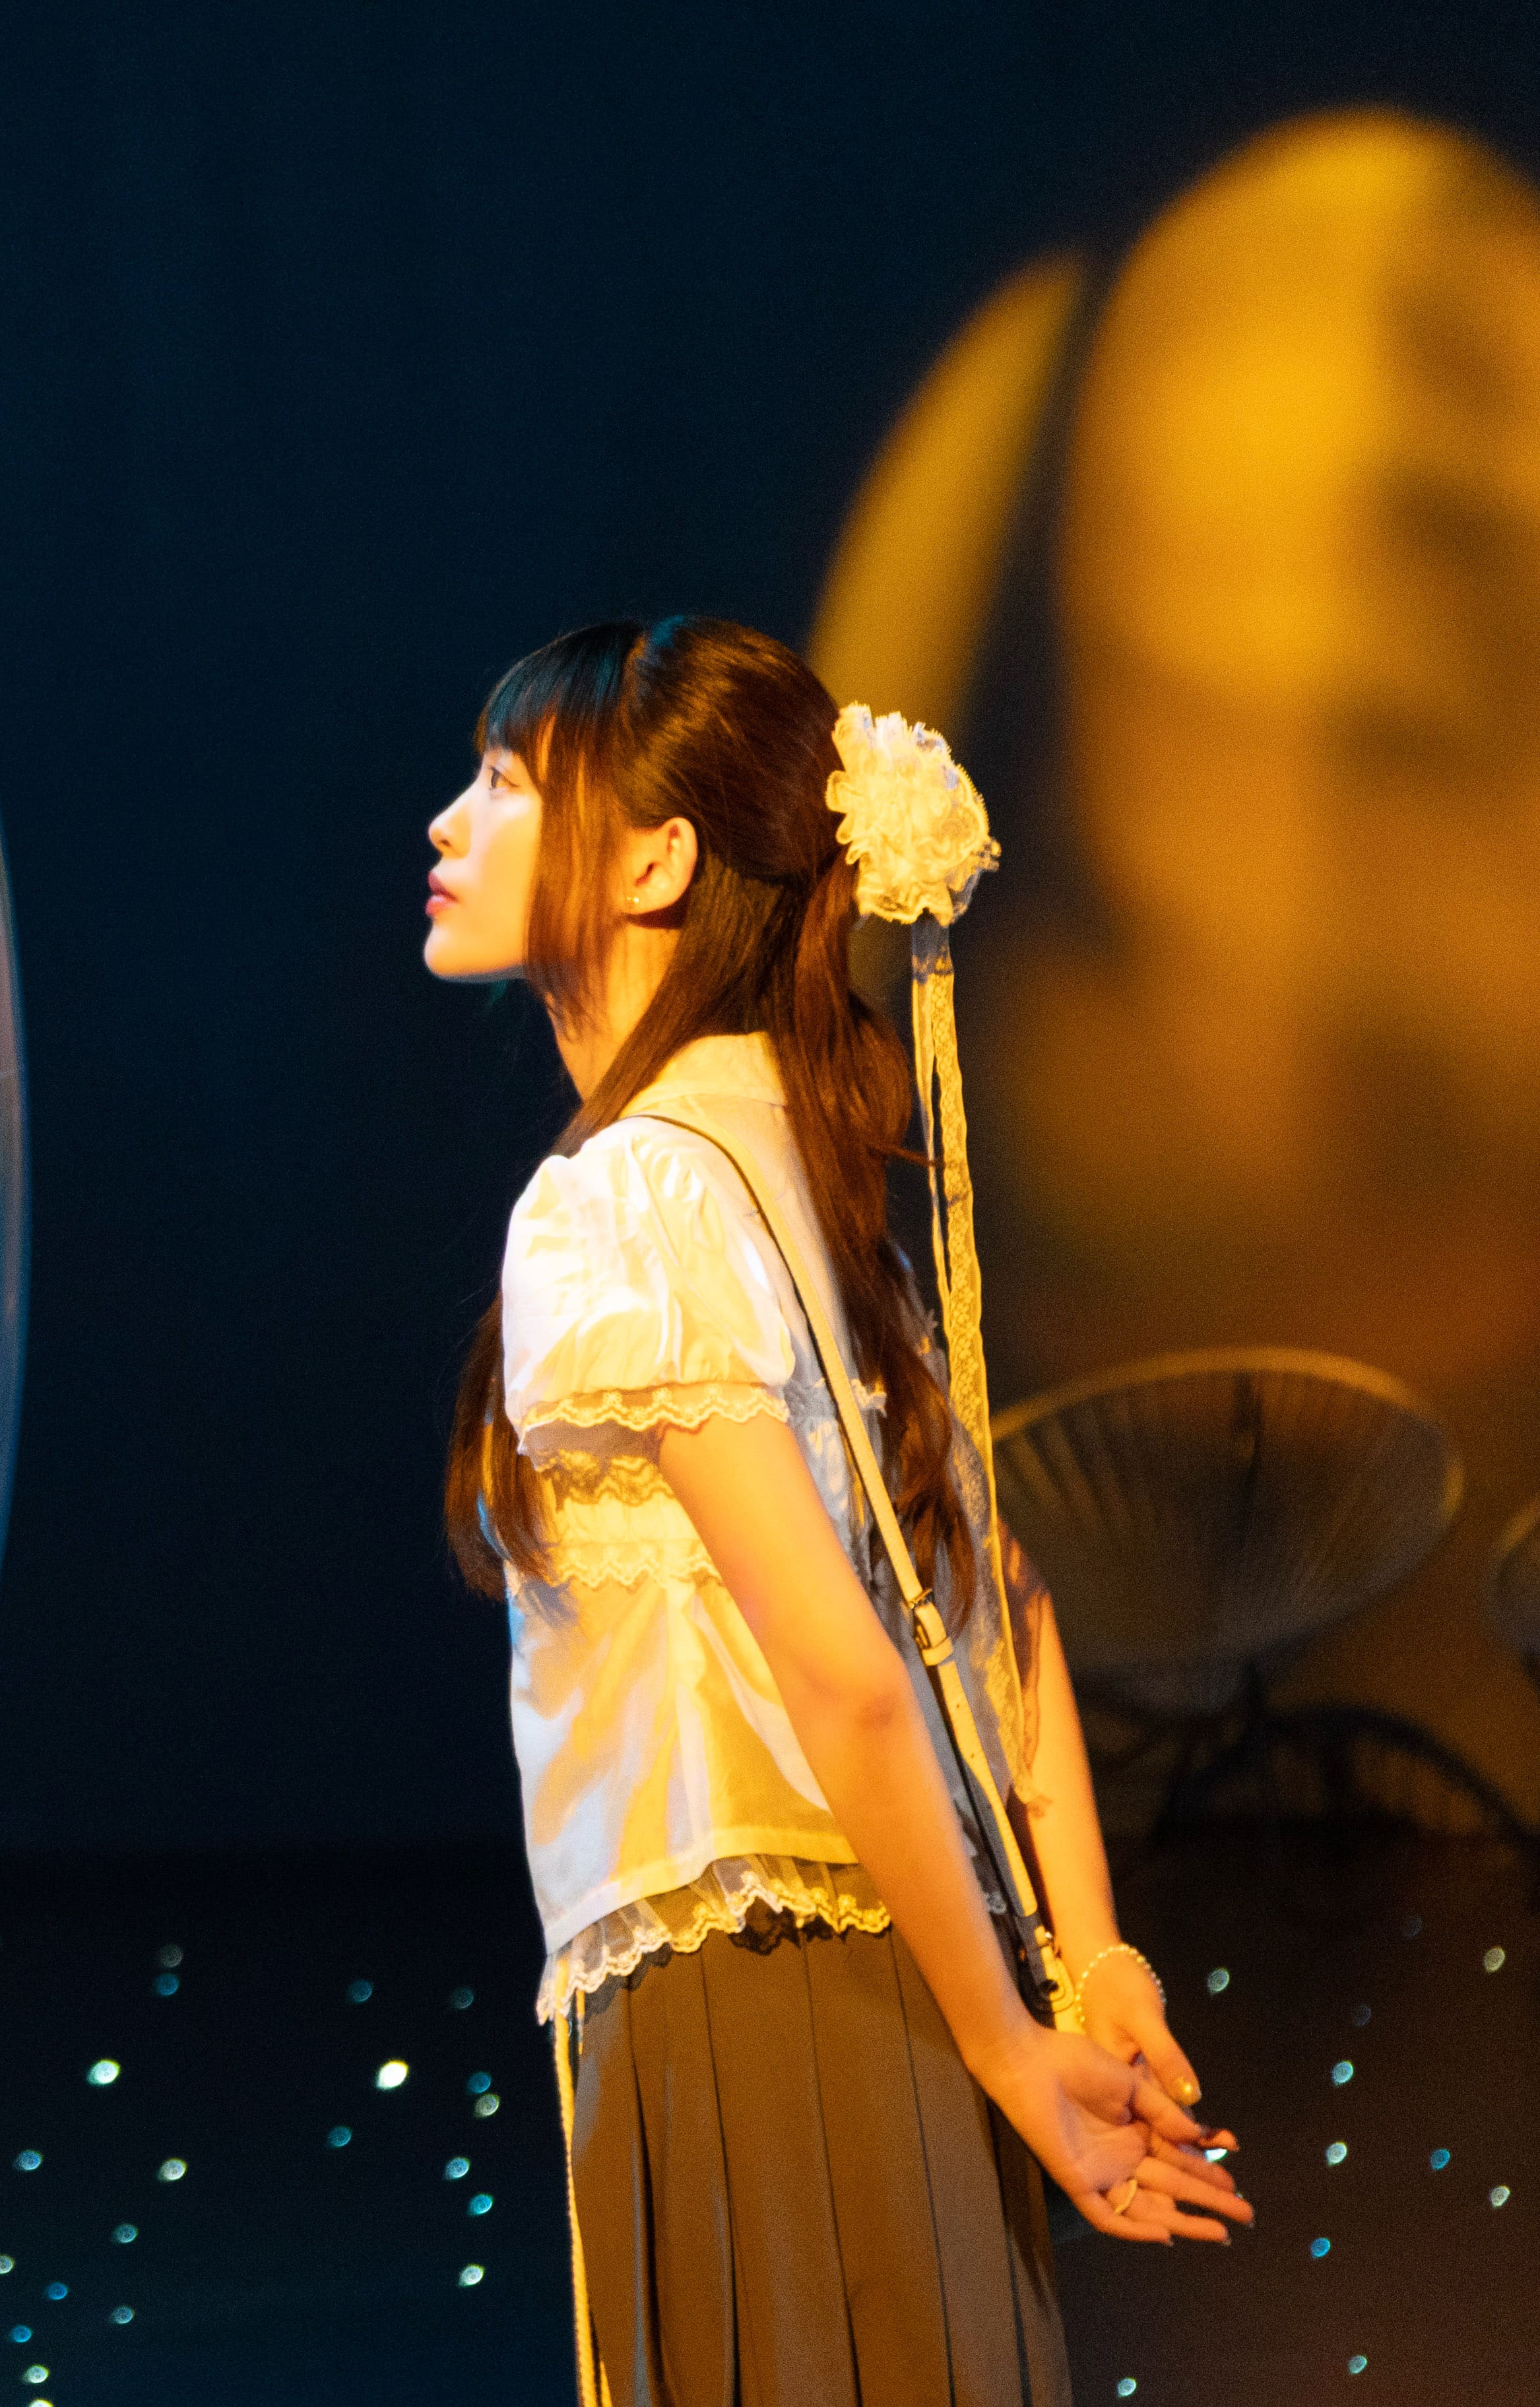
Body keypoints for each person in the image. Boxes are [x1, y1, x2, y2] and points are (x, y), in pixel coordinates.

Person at [423, 618, 1249, 2404]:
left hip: (760, 1989)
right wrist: (1079, 1959)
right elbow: (993, 1601)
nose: (448, 823)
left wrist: (1020, 2047)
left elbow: (855, 1670)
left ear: (653, 862)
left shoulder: (623, 1201)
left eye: (502, 784)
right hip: (918, 1964)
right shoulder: (789, 1157)